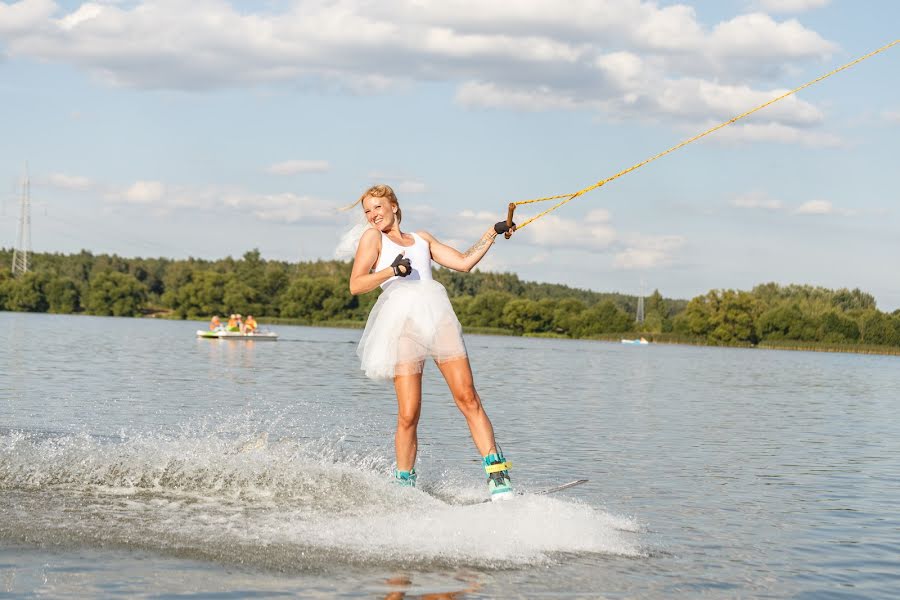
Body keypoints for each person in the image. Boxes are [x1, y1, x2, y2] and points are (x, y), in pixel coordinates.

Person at [348, 184, 516, 500]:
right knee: (409, 412)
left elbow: (464, 262)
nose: (373, 215)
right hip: (403, 325)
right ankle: (404, 484)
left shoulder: (422, 239)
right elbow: (356, 285)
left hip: (438, 319)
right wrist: (391, 270)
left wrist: (493, 232)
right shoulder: (373, 238)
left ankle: (498, 477)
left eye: (378, 207)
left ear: (394, 206)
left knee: (468, 397)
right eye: (367, 211)